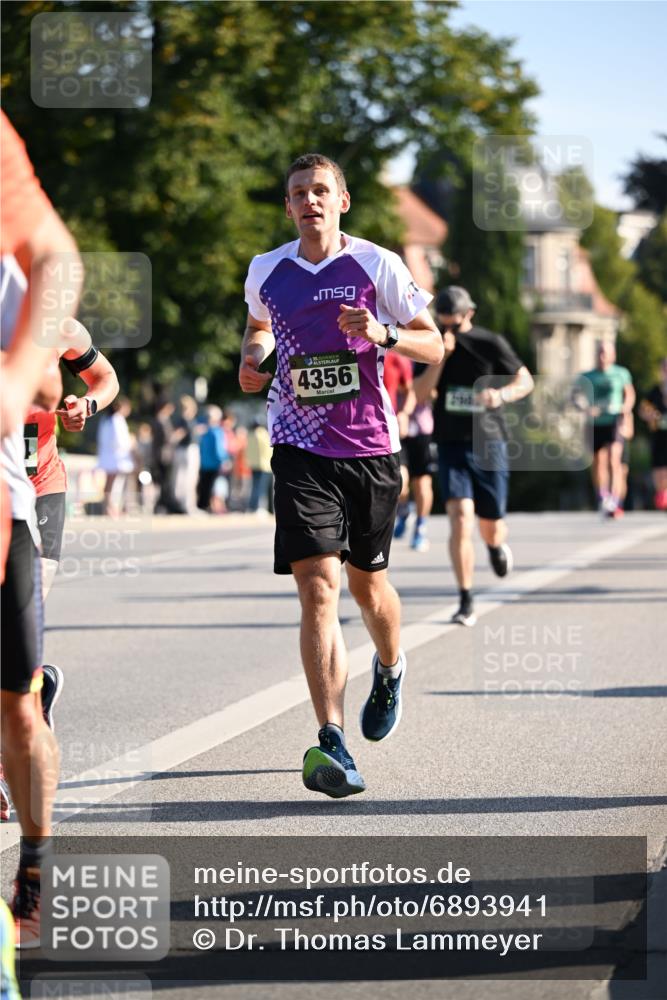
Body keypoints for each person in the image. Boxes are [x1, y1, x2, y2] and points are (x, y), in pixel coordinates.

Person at [239, 152, 443, 797]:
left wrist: (383, 334)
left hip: (370, 447)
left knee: (368, 586)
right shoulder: (267, 269)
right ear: (289, 205)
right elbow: (257, 329)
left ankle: (389, 665)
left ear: (342, 201)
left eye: (321, 190)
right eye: (299, 192)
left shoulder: (376, 263)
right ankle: (331, 740)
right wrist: (252, 358)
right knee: (319, 587)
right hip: (299, 447)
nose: (310, 201)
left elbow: (434, 342)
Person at [1, 110, 83, 948]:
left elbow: (58, 258)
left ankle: (36, 863)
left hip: (20, 491)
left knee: (18, 713)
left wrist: (24, 376)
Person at [415, 286, 534, 627]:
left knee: (491, 525)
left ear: (469, 314)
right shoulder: (432, 344)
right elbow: (421, 394)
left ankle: (496, 547)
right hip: (451, 441)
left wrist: (502, 395)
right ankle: (466, 598)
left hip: (489, 441)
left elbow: (524, 380)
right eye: (443, 324)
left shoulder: (489, 342)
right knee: (460, 517)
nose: (448, 330)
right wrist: (441, 358)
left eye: (454, 324)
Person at [576, 342, 635, 518]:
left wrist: (625, 409)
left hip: (614, 420)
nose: (602, 356)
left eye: (606, 353)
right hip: (595, 423)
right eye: (600, 352)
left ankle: (615, 500)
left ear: (613, 355)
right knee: (598, 462)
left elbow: (629, 394)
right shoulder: (587, 376)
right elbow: (574, 397)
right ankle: (603, 496)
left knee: (614, 459)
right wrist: (585, 407)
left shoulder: (621, 373)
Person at [96, 396, 134, 516]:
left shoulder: (106, 419)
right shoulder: (118, 419)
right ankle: (113, 507)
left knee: (109, 483)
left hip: (108, 455)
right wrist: (131, 443)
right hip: (117, 457)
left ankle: (109, 506)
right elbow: (121, 441)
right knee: (116, 484)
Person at [638, 357, 667, 510]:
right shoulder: (655, 391)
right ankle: (662, 494)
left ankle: (665, 495)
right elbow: (642, 409)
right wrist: (649, 416)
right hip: (658, 434)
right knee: (658, 467)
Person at [197, 405, 230, 512]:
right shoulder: (217, 431)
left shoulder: (203, 430)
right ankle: (210, 506)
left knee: (204, 486)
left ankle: (203, 505)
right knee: (214, 487)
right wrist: (224, 460)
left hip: (204, 463)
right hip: (214, 463)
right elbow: (219, 449)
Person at [172, 394, 201, 514]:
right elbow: (178, 435)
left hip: (184, 450)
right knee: (188, 478)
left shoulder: (184, 420)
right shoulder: (185, 420)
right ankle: (187, 504)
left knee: (182, 477)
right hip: (188, 450)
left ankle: (184, 503)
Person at [245, 419, 273, 513]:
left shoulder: (250, 435)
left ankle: (252, 506)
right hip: (265, 465)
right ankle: (259, 507)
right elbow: (268, 449)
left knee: (255, 486)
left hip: (254, 464)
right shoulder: (263, 434)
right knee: (262, 488)